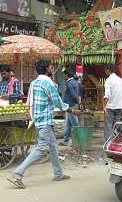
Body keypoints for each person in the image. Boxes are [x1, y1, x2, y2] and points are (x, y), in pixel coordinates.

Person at [8, 60, 82, 189]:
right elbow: (58, 102)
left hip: (38, 119)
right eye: (51, 67)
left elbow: (30, 100)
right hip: (45, 120)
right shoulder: (48, 84)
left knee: (53, 146)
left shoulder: (35, 82)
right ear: (47, 68)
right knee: (40, 149)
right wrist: (72, 110)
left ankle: (58, 174)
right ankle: (17, 173)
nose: (52, 68)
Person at [60, 70, 81, 146]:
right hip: (72, 105)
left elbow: (73, 94)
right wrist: (78, 102)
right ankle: (65, 141)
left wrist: (77, 102)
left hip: (70, 106)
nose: (63, 76)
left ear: (66, 75)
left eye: (64, 75)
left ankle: (80, 141)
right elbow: (77, 94)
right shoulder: (75, 82)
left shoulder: (69, 83)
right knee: (68, 124)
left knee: (75, 124)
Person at [103, 64, 122, 141]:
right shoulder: (120, 80)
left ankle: (108, 143)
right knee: (117, 126)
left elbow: (107, 94)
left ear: (108, 70)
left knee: (108, 126)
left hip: (110, 106)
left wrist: (104, 106)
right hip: (118, 106)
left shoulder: (108, 80)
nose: (105, 72)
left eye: (105, 71)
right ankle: (117, 142)